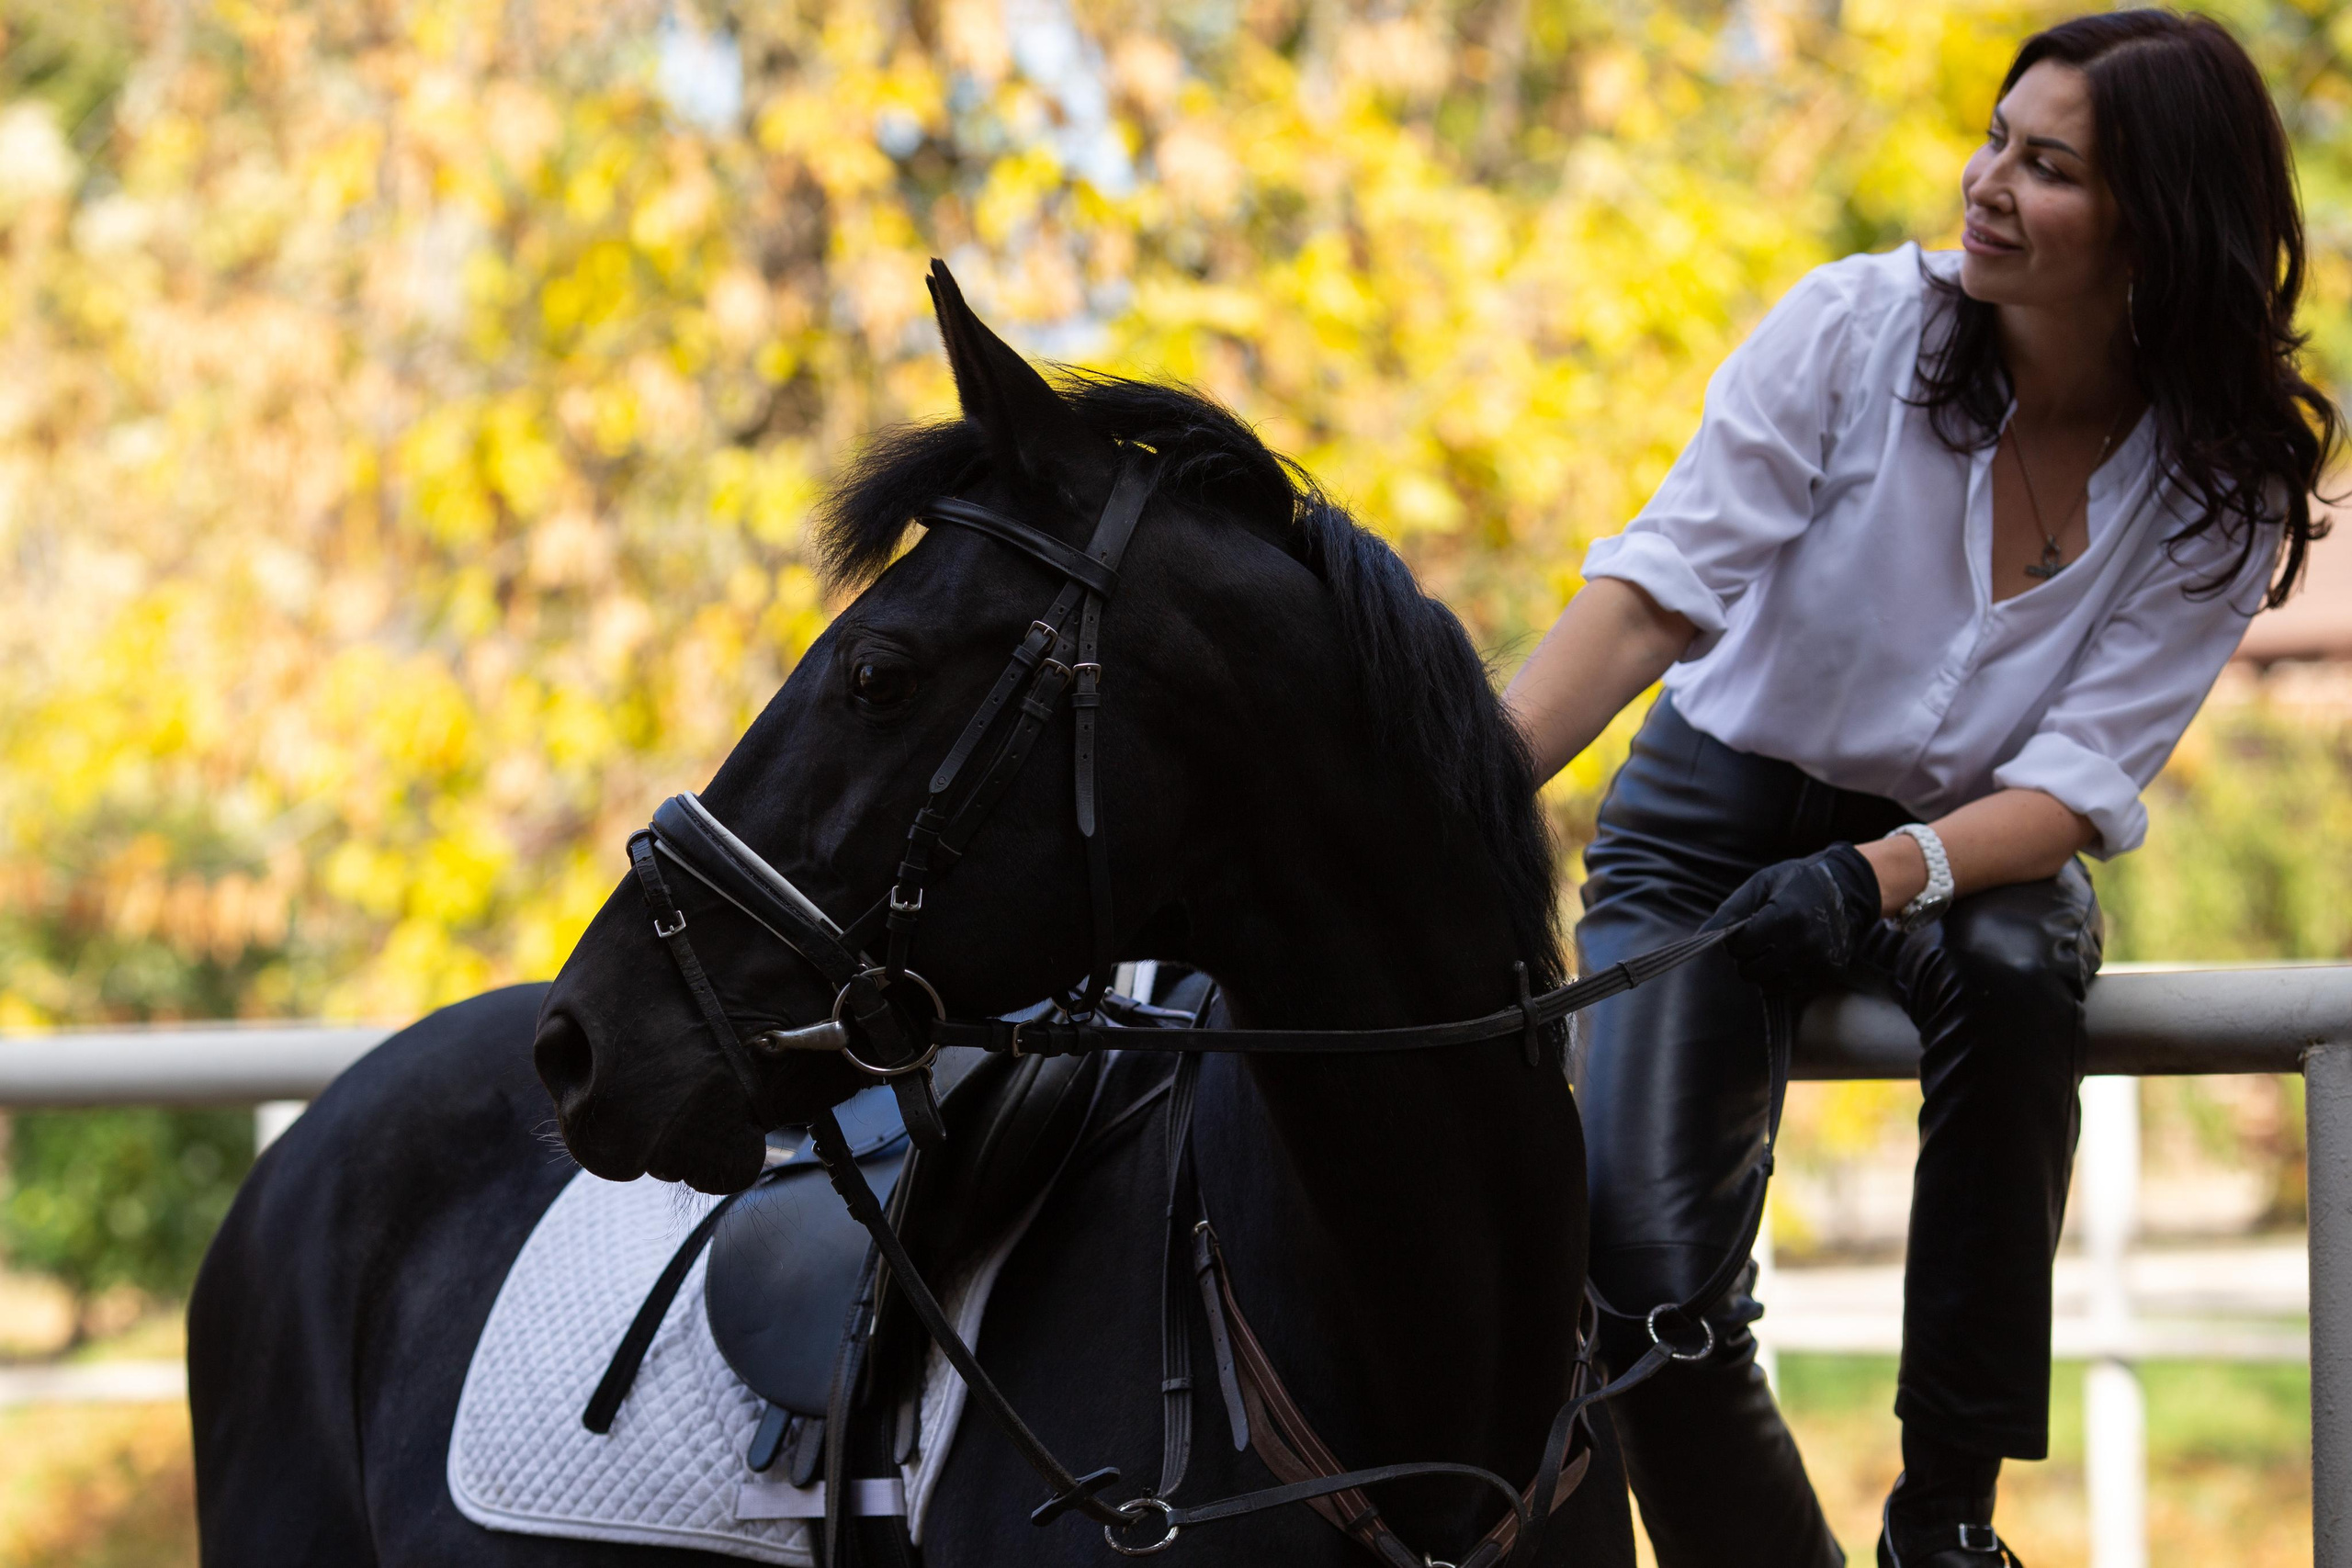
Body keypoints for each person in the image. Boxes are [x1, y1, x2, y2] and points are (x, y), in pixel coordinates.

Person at [1503, 12, 2339, 1566]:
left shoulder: (2227, 485)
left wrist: (1874, 877)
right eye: (1997, 139)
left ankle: (1948, 1520)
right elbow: (1658, 590)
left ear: (2160, 222)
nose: (1987, 184)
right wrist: (1456, 787)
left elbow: (2083, 780)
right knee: (1645, 1291)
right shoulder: (1856, 331)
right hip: (1705, 826)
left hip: (1968, 848)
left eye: (2050, 166)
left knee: (2025, 964)